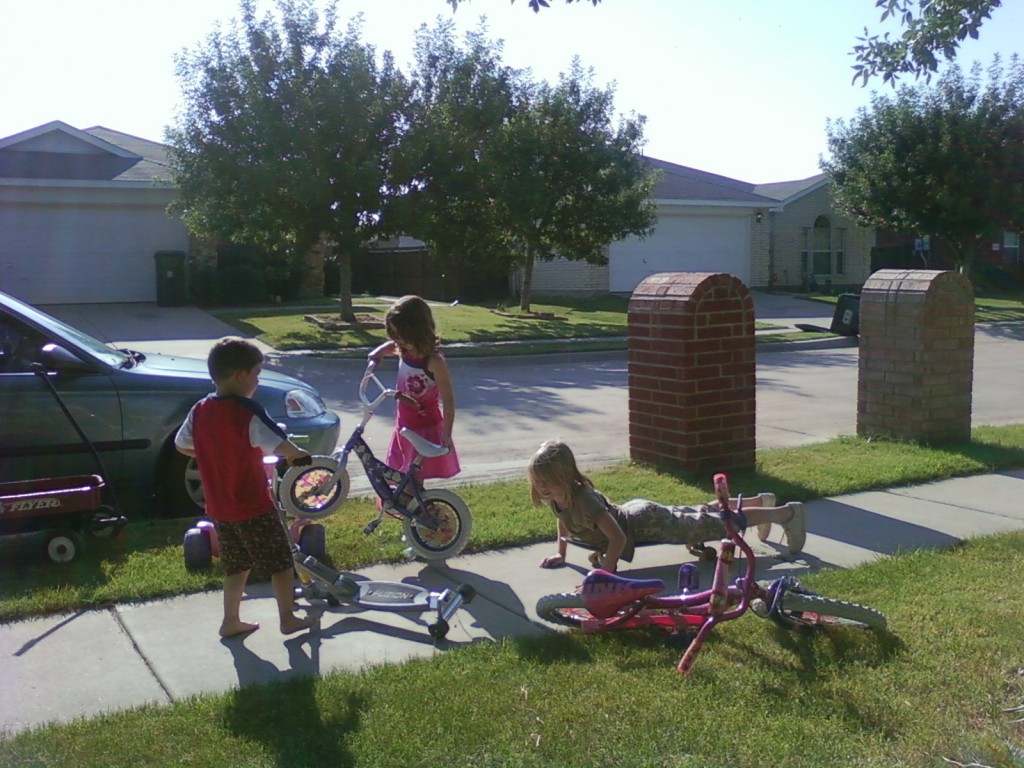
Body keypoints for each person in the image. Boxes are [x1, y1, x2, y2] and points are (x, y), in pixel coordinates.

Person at [175, 337, 317, 639]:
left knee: (236, 565)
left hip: (220, 507)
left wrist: (214, 453)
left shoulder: (199, 410)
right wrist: (298, 456)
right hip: (252, 505)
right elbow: (279, 444)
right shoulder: (246, 411)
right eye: (256, 373)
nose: (257, 380)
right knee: (280, 562)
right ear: (241, 376)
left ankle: (230, 620)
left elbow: (182, 444)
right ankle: (288, 618)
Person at [528, 439, 807, 574]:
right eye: (538, 481)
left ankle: (787, 513)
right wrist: (560, 553)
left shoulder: (585, 500)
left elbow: (617, 537)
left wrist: (608, 571)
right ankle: (760, 502)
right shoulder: (559, 498)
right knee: (699, 512)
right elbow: (563, 522)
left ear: (564, 476)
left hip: (647, 522)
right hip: (639, 512)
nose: (541, 488)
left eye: (547, 481)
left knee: (718, 522)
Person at [367, 295, 460, 485]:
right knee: (403, 479)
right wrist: (378, 353)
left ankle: (424, 512)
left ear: (416, 331)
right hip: (404, 426)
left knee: (412, 483)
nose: (396, 341)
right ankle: (416, 510)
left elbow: (449, 401)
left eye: (400, 335)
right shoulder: (405, 349)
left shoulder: (434, 362)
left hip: (425, 430)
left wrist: (447, 434)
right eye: (393, 335)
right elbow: (391, 346)